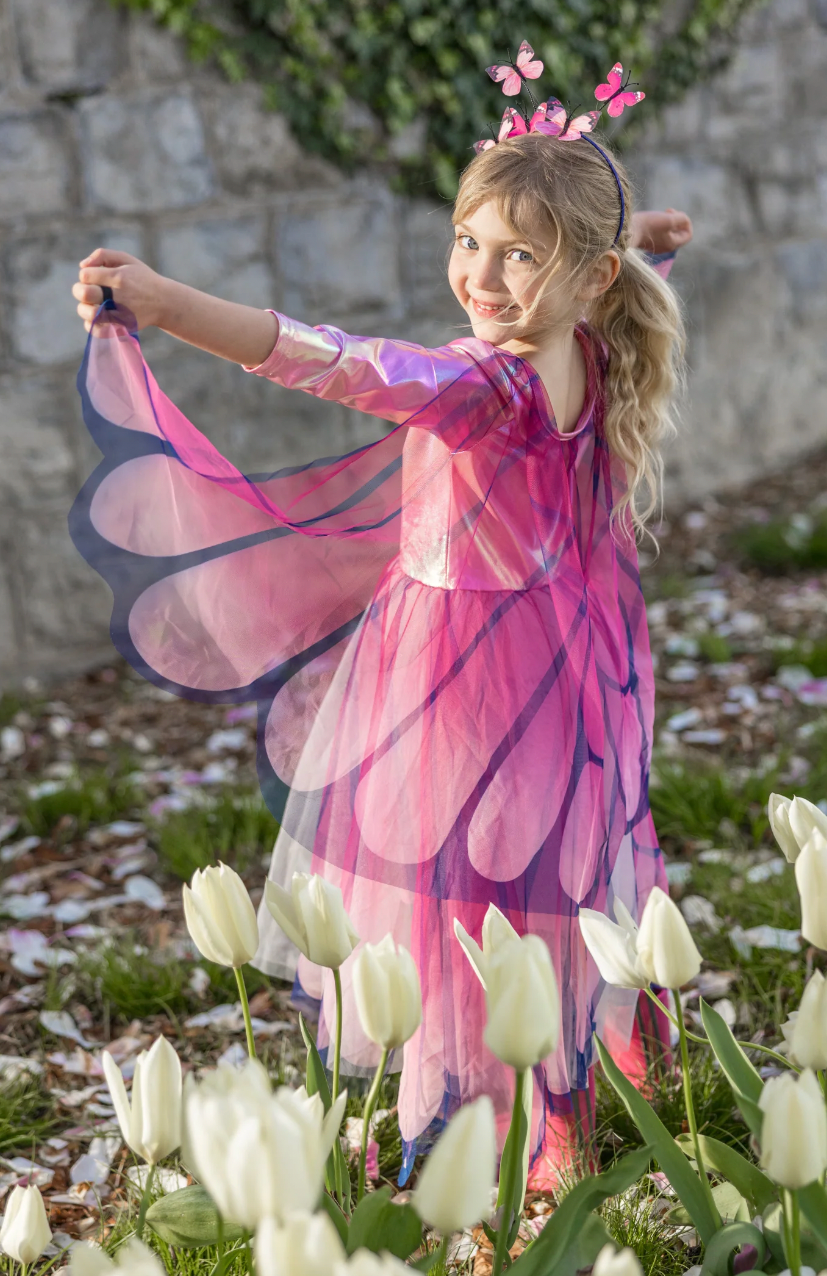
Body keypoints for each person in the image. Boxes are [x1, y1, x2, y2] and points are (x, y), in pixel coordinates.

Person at [70, 72, 691, 1186]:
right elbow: (577, 279)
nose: (480, 276)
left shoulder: (480, 385)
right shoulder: (586, 349)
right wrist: (636, 242)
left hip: (459, 681)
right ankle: (558, 1103)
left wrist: (166, 307)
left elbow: (332, 357)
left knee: (451, 894)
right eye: (470, 241)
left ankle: (467, 1125)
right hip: (557, 664)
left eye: (518, 255)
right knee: (541, 881)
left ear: (590, 277)